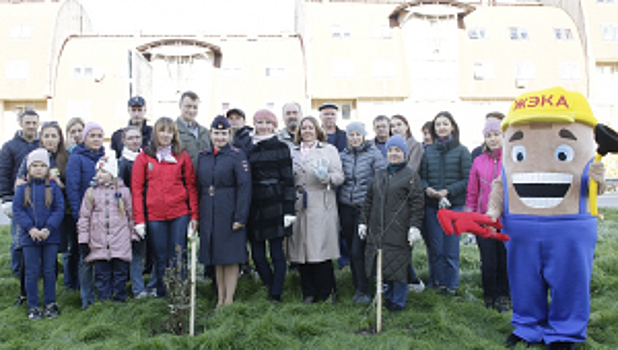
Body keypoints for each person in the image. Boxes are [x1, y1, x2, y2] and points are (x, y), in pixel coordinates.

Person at [132, 117, 199, 298]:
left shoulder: (182, 156)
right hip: (155, 215)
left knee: (178, 254)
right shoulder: (144, 157)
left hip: (179, 213)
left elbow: (191, 186)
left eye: (169, 131)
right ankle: (164, 294)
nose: (165, 135)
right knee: (160, 256)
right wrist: (139, 220)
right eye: (162, 131)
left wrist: (194, 216)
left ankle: (181, 292)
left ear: (174, 134)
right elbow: (137, 190)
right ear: (155, 133)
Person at [359, 135, 424, 311]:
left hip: (399, 230)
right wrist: (363, 222)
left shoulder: (411, 176)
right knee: (382, 264)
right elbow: (368, 200)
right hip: (378, 229)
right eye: (390, 150)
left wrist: (414, 227)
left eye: (397, 150)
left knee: (398, 267)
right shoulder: (379, 175)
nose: (393, 154)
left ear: (404, 153)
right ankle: (385, 297)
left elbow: (417, 205)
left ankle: (398, 300)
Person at [287, 116, 344, 304]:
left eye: (310, 128)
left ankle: (327, 291)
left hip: (321, 202)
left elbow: (339, 176)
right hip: (298, 203)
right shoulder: (293, 152)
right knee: (301, 249)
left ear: (317, 130)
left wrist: (326, 177)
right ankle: (309, 292)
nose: (307, 131)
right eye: (303, 128)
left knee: (320, 248)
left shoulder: (329, 150)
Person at [197, 115, 251, 308]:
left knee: (230, 257)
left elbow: (245, 188)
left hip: (229, 211)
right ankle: (220, 297)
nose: (220, 137)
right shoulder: (203, 157)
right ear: (210, 134)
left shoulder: (237, 155)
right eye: (216, 133)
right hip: (209, 212)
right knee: (216, 258)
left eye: (223, 133)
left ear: (229, 134)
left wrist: (240, 216)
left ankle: (229, 300)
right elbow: (198, 186)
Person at [246, 109, 295, 302]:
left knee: (276, 252)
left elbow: (288, 179)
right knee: (257, 255)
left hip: (276, 203)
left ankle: (276, 293)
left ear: (274, 125)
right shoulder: (250, 149)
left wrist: (289, 209)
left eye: (268, 122)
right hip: (255, 205)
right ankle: (270, 283)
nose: (264, 126)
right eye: (260, 122)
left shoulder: (281, 147)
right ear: (255, 125)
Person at [421, 111, 471, 295]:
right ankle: (438, 283)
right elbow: (422, 178)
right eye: (438, 125)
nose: (441, 127)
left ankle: (451, 285)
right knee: (436, 247)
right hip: (433, 206)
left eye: (445, 124)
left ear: (453, 127)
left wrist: (448, 191)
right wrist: (428, 189)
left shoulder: (462, 151)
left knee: (450, 248)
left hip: (453, 206)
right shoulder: (429, 151)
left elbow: (468, 180)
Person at [15, 122, 70, 292]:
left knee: (51, 258)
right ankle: (25, 294)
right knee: (27, 257)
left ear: (60, 138)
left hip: (54, 213)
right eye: (46, 136)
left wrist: (59, 184)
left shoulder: (65, 158)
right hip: (30, 211)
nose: (50, 140)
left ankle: (51, 296)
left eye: (54, 136)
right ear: (41, 138)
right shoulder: (32, 156)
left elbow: (70, 185)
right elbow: (19, 181)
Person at [12, 149, 65, 319]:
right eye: (34, 165)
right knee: (31, 271)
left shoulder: (54, 187)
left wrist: (48, 228)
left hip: (50, 237)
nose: (38, 169)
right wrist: (31, 229)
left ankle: (50, 303)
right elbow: (18, 210)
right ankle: (33, 305)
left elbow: (59, 209)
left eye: (42, 165)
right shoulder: (22, 189)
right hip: (29, 237)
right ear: (28, 168)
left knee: (49, 270)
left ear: (47, 167)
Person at [78, 154, 137, 302]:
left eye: (103, 172)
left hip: (120, 241)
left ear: (112, 173)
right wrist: (83, 240)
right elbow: (84, 217)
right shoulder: (90, 193)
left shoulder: (124, 192)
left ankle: (119, 299)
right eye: (97, 171)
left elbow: (131, 215)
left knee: (120, 273)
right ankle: (104, 300)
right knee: (101, 274)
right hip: (98, 242)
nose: (99, 175)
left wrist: (134, 235)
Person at [338, 122, 386, 304]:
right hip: (346, 208)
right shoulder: (343, 155)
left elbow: (380, 180)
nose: (355, 138)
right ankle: (357, 283)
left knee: (359, 250)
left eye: (358, 134)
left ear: (364, 136)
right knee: (352, 249)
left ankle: (363, 289)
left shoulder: (374, 154)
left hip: (364, 209)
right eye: (352, 135)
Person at [465, 119, 509, 312]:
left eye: (496, 135)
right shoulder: (478, 161)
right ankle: (489, 295)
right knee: (488, 261)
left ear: (504, 136)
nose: (492, 139)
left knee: (505, 260)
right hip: (484, 221)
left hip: (508, 221)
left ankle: (505, 296)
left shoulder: (512, 159)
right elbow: (472, 193)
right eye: (488, 136)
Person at [66, 122, 106, 308]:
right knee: (85, 257)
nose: (96, 139)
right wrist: (78, 215)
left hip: (103, 215)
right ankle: (86, 298)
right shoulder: (77, 158)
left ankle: (102, 293)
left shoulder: (106, 158)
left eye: (99, 135)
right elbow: (73, 189)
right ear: (85, 138)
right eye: (92, 135)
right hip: (84, 216)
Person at [0, 110, 40, 293]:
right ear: (21, 124)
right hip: (18, 199)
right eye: (28, 123)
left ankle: (36, 270)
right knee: (18, 238)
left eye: (34, 123)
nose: (31, 126)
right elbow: (4, 173)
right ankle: (18, 272)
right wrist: (6, 198)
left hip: (40, 199)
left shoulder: (41, 145)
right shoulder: (9, 147)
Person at [117, 126, 154, 298]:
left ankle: (152, 285)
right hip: (131, 213)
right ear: (124, 141)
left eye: (137, 137)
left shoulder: (146, 158)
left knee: (150, 250)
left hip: (149, 209)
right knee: (136, 252)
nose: (135, 141)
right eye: (130, 138)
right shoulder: (122, 163)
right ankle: (137, 288)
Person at [175, 91, 211, 168]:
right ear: (180, 106)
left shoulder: (204, 132)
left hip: (203, 177)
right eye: (188, 106)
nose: (191, 111)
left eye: (195, 107)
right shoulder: (172, 130)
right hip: (182, 177)